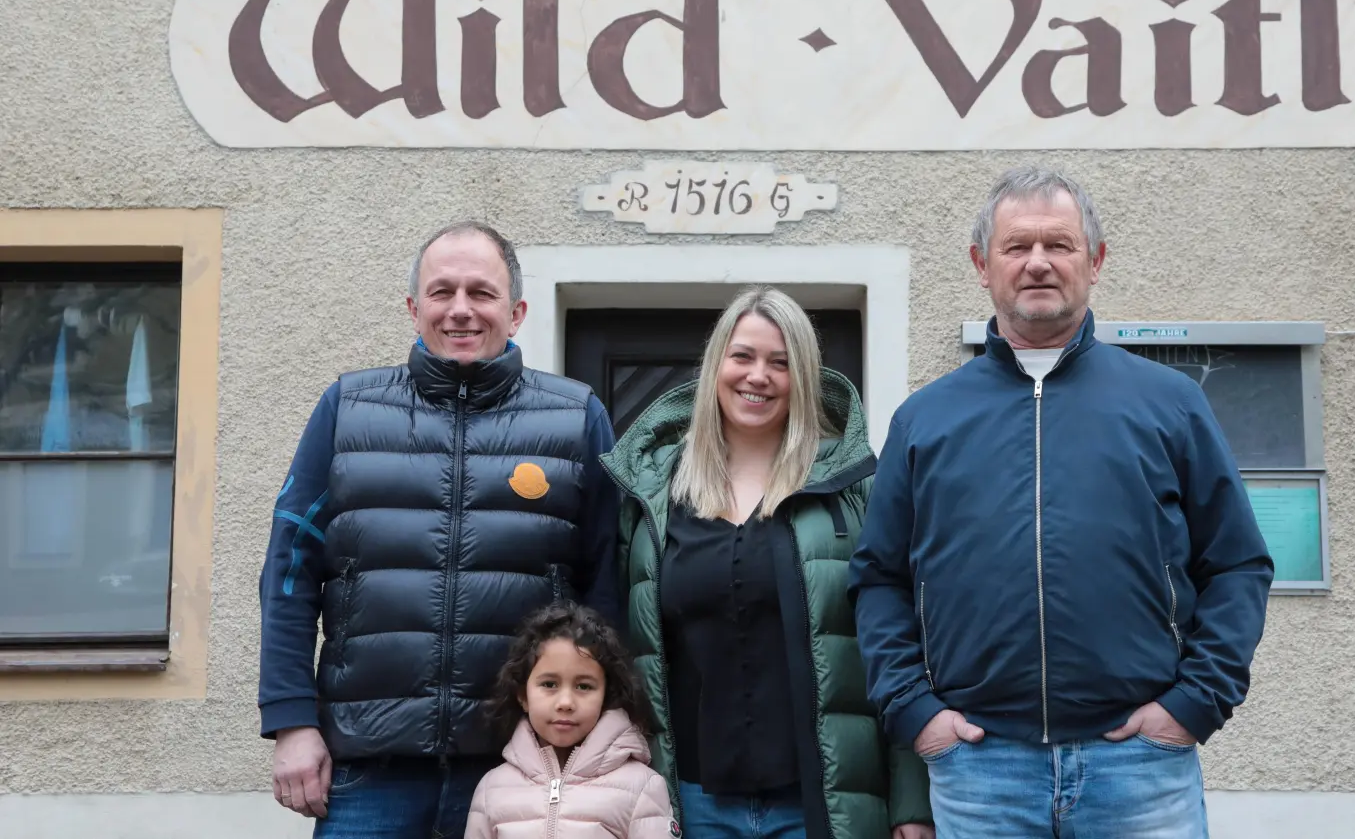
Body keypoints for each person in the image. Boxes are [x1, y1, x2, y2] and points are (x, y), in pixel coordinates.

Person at [850, 166, 1275, 838]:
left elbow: (1237, 566)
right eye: (1017, 246)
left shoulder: (1169, 405)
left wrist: (1195, 703)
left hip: (1140, 768)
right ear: (981, 264)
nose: (1039, 263)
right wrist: (916, 714)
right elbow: (880, 579)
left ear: (1095, 261)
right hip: (980, 769)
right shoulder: (925, 420)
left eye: (1060, 245)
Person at [258, 221, 622, 838]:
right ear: (412, 307)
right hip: (369, 767)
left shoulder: (575, 417)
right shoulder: (347, 409)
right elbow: (290, 573)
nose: (460, 310)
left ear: (517, 311)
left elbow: (608, 582)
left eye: (481, 293)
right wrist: (292, 722)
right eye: (441, 292)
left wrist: (604, 730)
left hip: (520, 763)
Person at [600, 286, 934, 839]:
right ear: (716, 366)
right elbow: (627, 651)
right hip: (690, 802)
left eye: (780, 363)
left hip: (821, 804)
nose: (759, 376)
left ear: (802, 377)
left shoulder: (851, 489)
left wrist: (911, 801)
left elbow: (902, 641)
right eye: (743, 357)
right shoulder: (653, 497)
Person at [465, 601, 674, 839]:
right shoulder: (492, 789)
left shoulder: (643, 787)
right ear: (523, 695)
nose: (565, 702)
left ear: (606, 695)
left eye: (584, 686)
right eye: (549, 684)